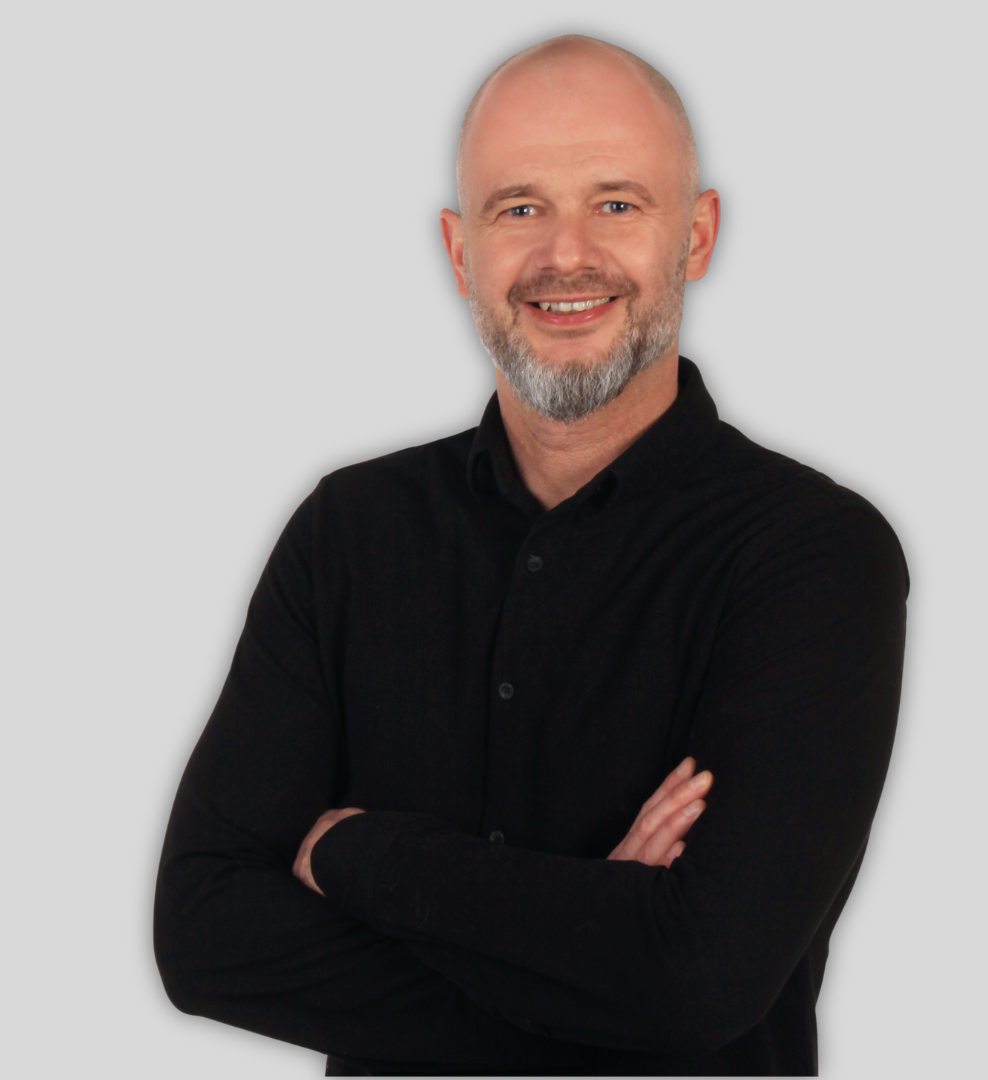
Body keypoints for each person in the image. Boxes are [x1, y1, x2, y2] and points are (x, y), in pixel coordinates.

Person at [154, 34, 908, 1077]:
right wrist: (600, 958)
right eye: (519, 209)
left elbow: (698, 981)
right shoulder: (348, 533)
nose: (566, 255)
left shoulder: (813, 555)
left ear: (695, 236)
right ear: (461, 252)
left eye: (617, 203)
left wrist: (357, 852)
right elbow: (203, 936)